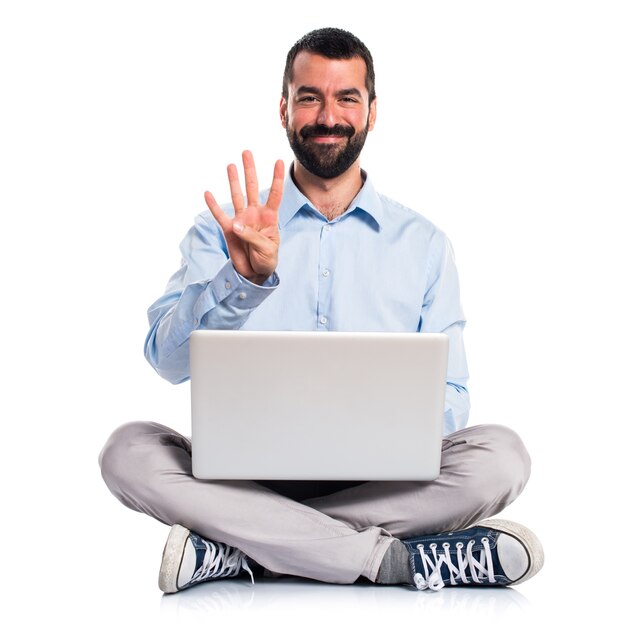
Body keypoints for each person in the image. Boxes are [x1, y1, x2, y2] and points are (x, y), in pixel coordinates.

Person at [99, 27, 543, 593]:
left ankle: (244, 551)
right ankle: (391, 561)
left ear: (372, 111)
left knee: (501, 458)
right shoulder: (226, 228)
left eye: (346, 98)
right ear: (283, 109)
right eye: (309, 97)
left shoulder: (425, 245)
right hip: (244, 480)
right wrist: (240, 280)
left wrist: (377, 428)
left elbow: (453, 398)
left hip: (379, 484)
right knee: (128, 452)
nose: (326, 116)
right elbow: (165, 360)